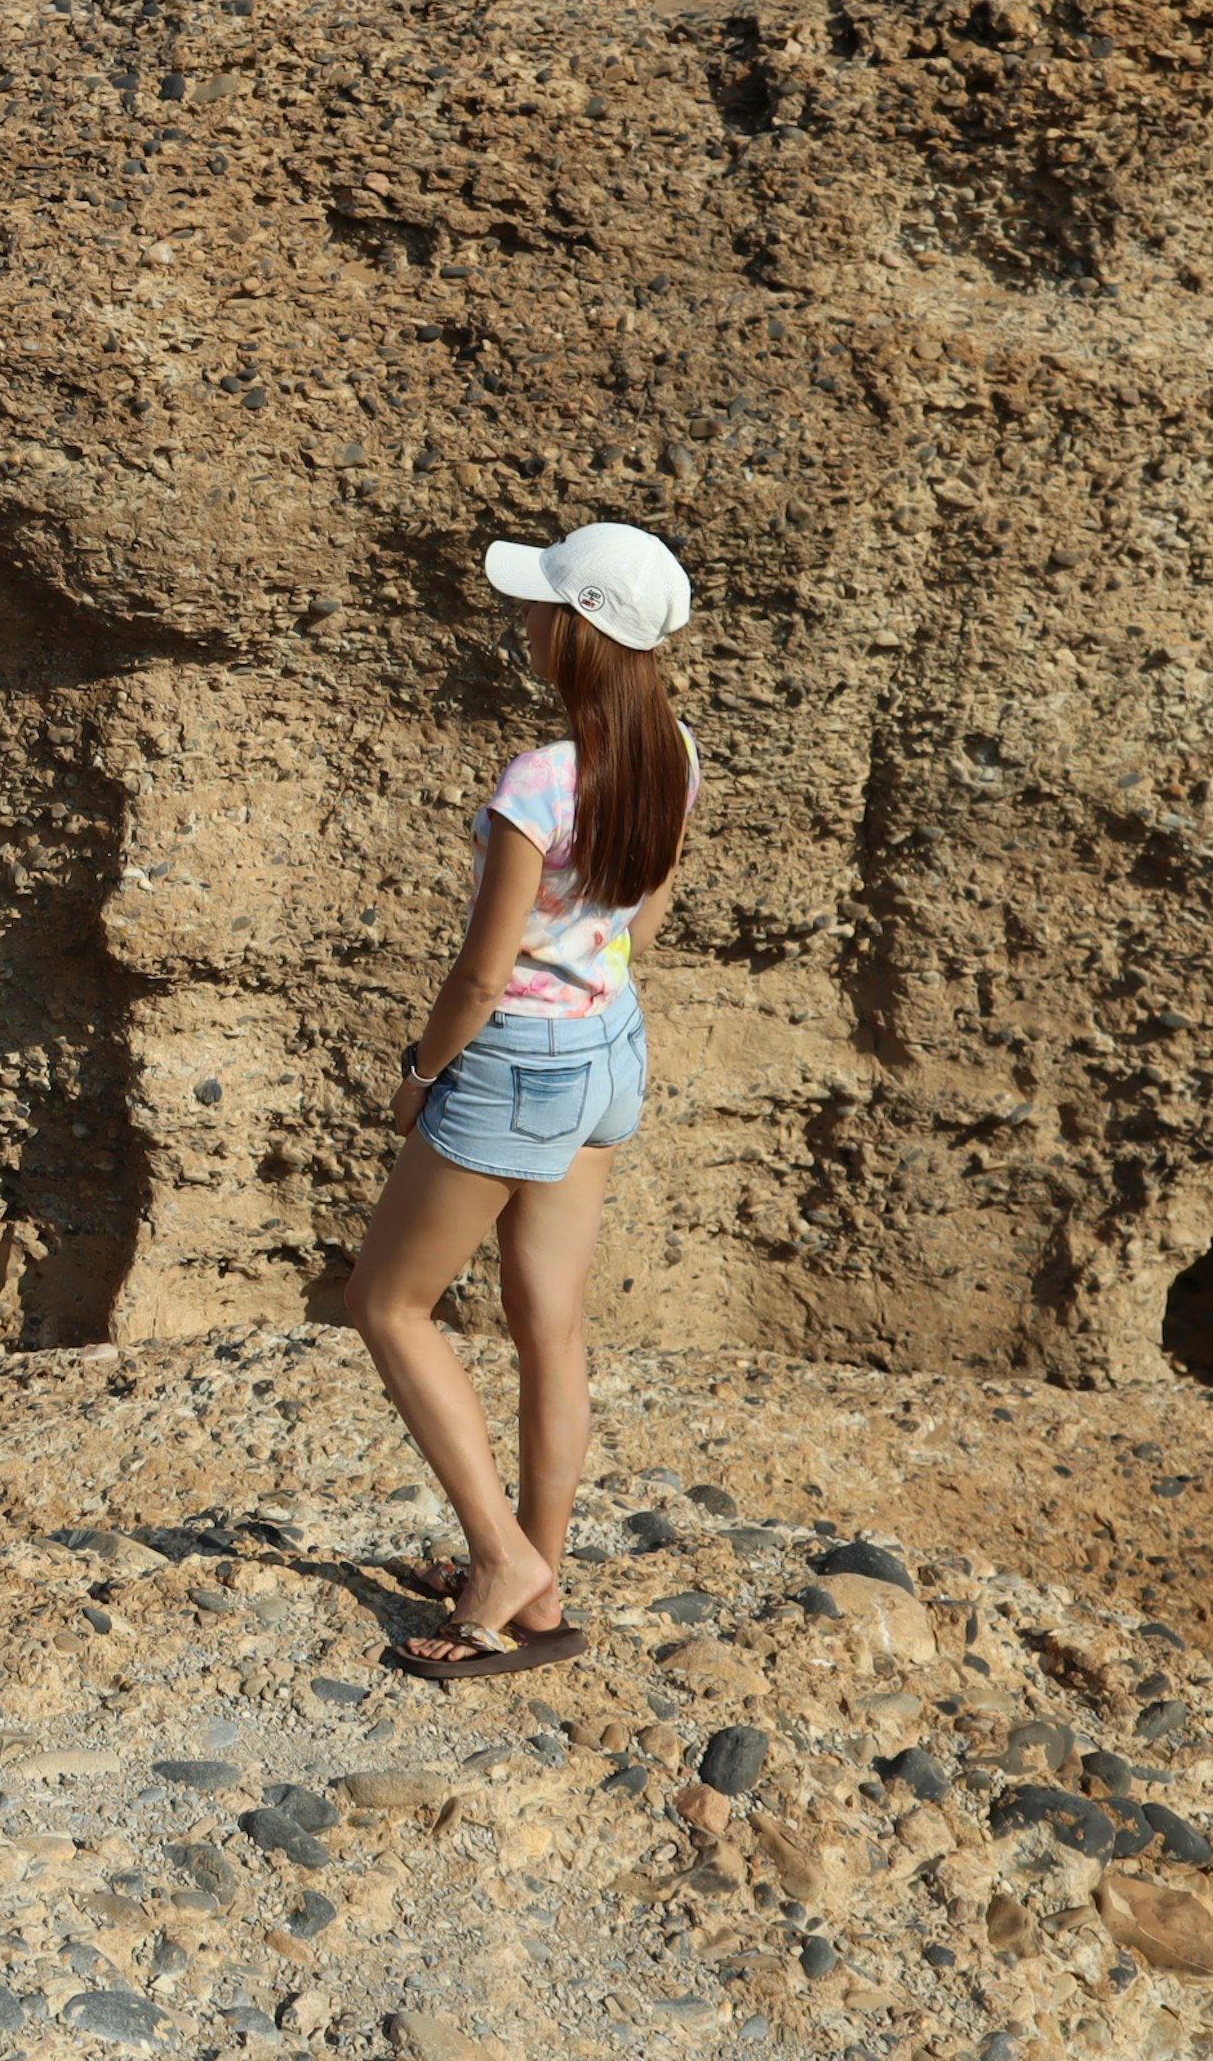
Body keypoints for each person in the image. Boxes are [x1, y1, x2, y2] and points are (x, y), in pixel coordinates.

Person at [347, 522, 698, 1680]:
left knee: (390, 1304)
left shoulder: (540, 780)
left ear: (578, 634)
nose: (526, 622)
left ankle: (498, 1558)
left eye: (542, 607)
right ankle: (539, 1576)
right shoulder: (675, 755)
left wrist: (419, 1073)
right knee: (549, 1328)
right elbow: (643, 921)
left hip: (518, 1061)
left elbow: (481, 974)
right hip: (610, 1050)